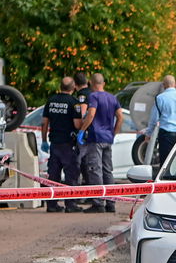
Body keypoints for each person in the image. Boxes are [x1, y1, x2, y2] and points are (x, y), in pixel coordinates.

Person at [78, 72, 124, 213]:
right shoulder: (112, 97)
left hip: (95, 138)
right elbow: (120, 117)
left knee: (95, 170)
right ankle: (111, 203)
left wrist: (82, 130)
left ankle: (98, 203)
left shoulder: (93, 96)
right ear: (103, 83)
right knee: (107, 170)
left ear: (91, 83)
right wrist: (114, 133)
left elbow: (91, 114)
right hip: (108, 138)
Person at [40, 75, 86, 213]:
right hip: (68, 144)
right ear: (73, 88)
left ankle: (52, 205)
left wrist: (43, 140)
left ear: (60, 87)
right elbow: (77, 124)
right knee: (71, 174)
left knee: (53, 175)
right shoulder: (75, 103)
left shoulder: (51, 101)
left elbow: (44, 122)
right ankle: (70, 205)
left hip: (54, 142)